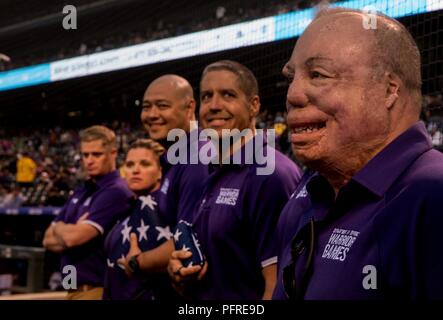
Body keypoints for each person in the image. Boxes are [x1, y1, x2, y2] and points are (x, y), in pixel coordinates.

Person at [272, 7, 443, 300]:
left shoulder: (432, 195)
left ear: (389, 90)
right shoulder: (305, 196)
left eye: (318, 75)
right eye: (292, 77)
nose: (293, 95)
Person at [167, 60, 303, 299]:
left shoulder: (270, 174)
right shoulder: (208, 170)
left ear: (254, 105)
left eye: (228, 95)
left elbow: (278, 285)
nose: (214, 106)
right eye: (207, 97)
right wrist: (179, 267)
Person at [117, 75, 208, 282]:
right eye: (146, 107)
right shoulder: (175, 156)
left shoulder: (196, 158)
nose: (152, 114)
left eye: (162, 106)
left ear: (189, 107)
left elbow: (190, 237)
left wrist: (137, 262)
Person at [42, 125, 133, 300]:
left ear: (113, 153)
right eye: (85, 155)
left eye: (96, 154)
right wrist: (72, 230)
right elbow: (47, 239)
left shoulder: (115, 191)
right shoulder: (81, 190)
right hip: (73, 288)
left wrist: (61, 228)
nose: (89, 160)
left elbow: (73, 238)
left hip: (97, 290)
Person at [103, 139, 174, 300]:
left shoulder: (168, 208)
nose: (135, 170)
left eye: (145, 164)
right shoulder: (126, 209)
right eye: (129, 165)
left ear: (160, 171)